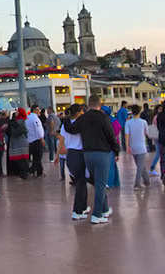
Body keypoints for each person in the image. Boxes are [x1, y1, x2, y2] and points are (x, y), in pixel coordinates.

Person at [62, 95, 118, 224]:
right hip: (102, 153)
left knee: (96, 182)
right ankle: (97, 214)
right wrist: (116, 150)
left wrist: (65, 119)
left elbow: (72, 129)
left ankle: (104, 210)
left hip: (87, 154)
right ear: (100, 104)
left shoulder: (83, 118)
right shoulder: (104, 118)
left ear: (88, 104)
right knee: (100, 184)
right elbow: (110, 135)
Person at [57, 104, 91, 220]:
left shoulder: (65, 125)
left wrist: (58, 155)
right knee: (81, 182)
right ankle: (77, 211)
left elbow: (62, 139)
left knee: (81, 181)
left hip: (70, 155)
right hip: (80, 154)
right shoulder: (82, 124)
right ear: (79, 112)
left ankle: (83, 206)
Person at [125, 105, 150, 190]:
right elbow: (147, 133)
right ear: (139, 111)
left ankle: (147, 180)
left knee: (140, 165)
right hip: (142, 146)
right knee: (140, 166)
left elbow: (127, 135)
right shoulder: (143, 122)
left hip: (133, 147)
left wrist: (127, 146)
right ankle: (137, 184)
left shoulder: (128, 122)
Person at [8, 108, 30, 180]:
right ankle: (24, 173)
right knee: (22, 159)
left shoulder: (20, 121)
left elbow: (17, 130)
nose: (16, 112)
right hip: (21, 141)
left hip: (19, 142)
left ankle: (24, 173)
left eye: (17, 111)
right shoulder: (21, 120)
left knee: (21, 159)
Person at [25, 104, 46, 177]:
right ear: (34, 110)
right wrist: (41, 138)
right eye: (37, 110)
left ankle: (39, 172)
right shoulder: (35, 118)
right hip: (36, 140)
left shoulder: (27, 118)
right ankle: (31, 170)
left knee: (35, 156)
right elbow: (38, 129)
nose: (39, 111)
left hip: (29, 140)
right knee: (38, 157)